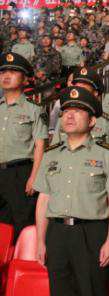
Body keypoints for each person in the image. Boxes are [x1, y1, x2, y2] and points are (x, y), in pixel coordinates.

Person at [34, 86, 109, 296]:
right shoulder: (51, 155)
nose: (70, 116)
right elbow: (43, 200)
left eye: (78, 111)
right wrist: (40, 240)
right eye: (66, 111)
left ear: (93, 120)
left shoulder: (107, 153)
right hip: (58, 234)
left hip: (92, 233)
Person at [0, 52, 48, 235]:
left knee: (22, 223)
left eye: (13, 71)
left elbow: (40, 145)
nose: (6, 75)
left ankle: (21, 261)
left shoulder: (34, 109)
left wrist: (34, 176)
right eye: (3, 71)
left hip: (21, 173)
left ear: (24, 79)